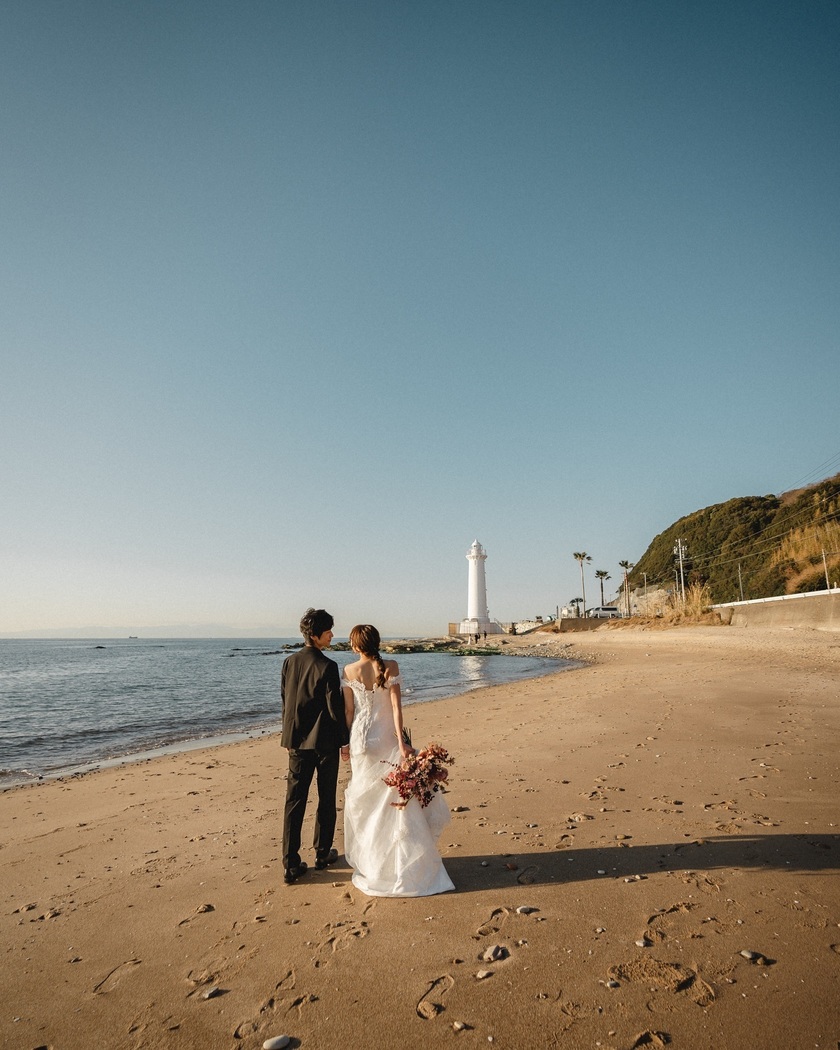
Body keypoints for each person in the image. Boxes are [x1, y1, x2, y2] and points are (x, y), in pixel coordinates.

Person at [341, 624, 454, 897]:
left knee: (367, 802)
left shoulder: (348, 670)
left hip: (360, 740)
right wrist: (402, 742)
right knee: (393, 802)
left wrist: (345, 743)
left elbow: (349, 711)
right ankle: (398, 863)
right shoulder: (390, 666)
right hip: (386, 738)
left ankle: (374, 865)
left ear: (356, 646)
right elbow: (395, 707)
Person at [281, 607, 349, 884]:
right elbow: (335, 708)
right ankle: (322, 853)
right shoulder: (328, 666)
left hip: (296, 742)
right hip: (325, 742)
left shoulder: (289, 662)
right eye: (328, 631)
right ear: (315, 635)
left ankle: (290, 863)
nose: (332, 635)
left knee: (294, 800)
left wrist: (288, 737)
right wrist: (345, 740)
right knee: (326, 797)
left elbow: (286, 701)